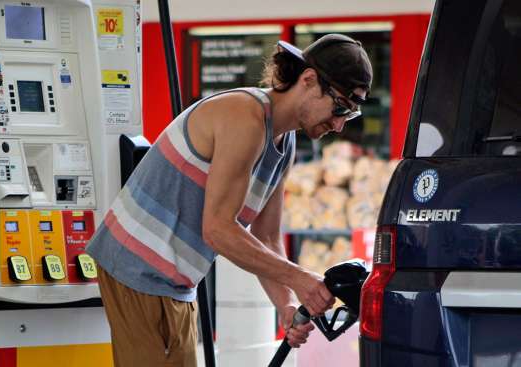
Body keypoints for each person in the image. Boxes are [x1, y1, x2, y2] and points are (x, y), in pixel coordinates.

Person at [86, 33, 373, 366]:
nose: (339, 125)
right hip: (137, 264)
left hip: (176, 280)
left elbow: (265, 237)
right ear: (308, 80)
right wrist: (300, 279)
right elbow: (218, 230)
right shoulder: (245, 117)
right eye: (339, 107)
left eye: (349, 115)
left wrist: (287, 304)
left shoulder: (284, 143)